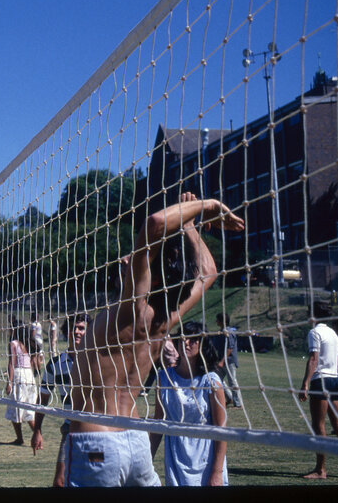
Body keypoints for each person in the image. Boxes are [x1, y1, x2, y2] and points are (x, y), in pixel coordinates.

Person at [66, 192, 244, 487]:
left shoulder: (132, 308)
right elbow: (209, 272)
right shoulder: (165, 320)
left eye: (135, 257)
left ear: (153, 272)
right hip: (136, 443)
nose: (126, 259)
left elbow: (155, 223)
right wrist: (189, 223)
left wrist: (208, 206)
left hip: (97, 443)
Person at [149, 321, 228, 486]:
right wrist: (147, 460)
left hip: (205, 458)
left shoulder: (211, 381)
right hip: (176, 457)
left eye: (192, 339)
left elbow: (221, 430)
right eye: (182, 338)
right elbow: (158, 422)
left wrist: (217, 472)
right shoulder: (164, 378)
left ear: (202, 345)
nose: (185, 342)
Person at [297, 301, 338, 479]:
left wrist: (305, 383)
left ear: (314, 314)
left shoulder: (314, 332)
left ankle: (321, 470)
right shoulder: (333, 333)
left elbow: (314, 359)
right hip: (334, 381)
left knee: (319, 426)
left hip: (320, 381)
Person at [31, 313, 90, 486]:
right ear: (67, 332)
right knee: (59, 482)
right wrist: (37, 430)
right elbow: (43, 398)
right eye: (74, 328)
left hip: (95, 431)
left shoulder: (97, 361)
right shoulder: (55, 364)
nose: (77, 332)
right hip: (70, 429)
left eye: (82, 328)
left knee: (96, 479)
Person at [5, 323, 38, 446]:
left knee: (16, 409)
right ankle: (37, 434)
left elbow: (11, 363)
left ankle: (20, 438)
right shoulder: (29, 345)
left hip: (19, 376)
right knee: (29, 410)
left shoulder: (13, 344)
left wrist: (9, 382)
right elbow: (34, 363)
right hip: (29, 376)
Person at [210, 313, 242, 408]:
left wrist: (222, 361)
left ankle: (239, 404)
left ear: (221, 321)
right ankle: (229, 398)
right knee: (217, 379)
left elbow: (230, 348)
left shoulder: (229, 332)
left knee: (232, 381)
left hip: (229, 361)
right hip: (221, 361)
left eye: (217, 319)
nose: (216, 321)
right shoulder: (220, 332)